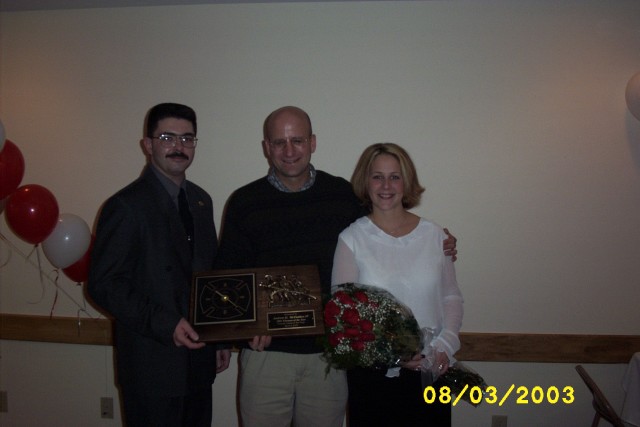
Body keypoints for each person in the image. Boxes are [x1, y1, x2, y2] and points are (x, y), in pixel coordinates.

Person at [214, 106, 457, 427]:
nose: (289, 151)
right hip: (267, 358)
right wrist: (245, 330)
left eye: (297, 140)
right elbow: (229, 278)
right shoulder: (245, 201)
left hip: (327, 360)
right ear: (266, 147)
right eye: (279, 142)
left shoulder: (343, 195)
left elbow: (387, 232)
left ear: (313, 142)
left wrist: (439, 242)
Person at [88, 103, 230, 427]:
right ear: (148, 145)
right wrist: (166, 324)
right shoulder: (125, 206)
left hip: (198, 362)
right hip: (151, 365)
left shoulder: (201, 201)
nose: (179, 147)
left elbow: (209, 275)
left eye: (188, 138)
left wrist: (220, 338)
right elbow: (104, 283)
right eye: (168, 137)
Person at [331, 142, 464, 427]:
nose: (386, 185)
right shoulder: (352, 240)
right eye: (377, 176)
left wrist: (444, 346)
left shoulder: (435, 236)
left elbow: (451, 297)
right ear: (366, 182)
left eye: (395, 176)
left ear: (407, 181)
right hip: (373, 378)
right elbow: (344, 318)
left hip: (432, 371)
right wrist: (393, 355)